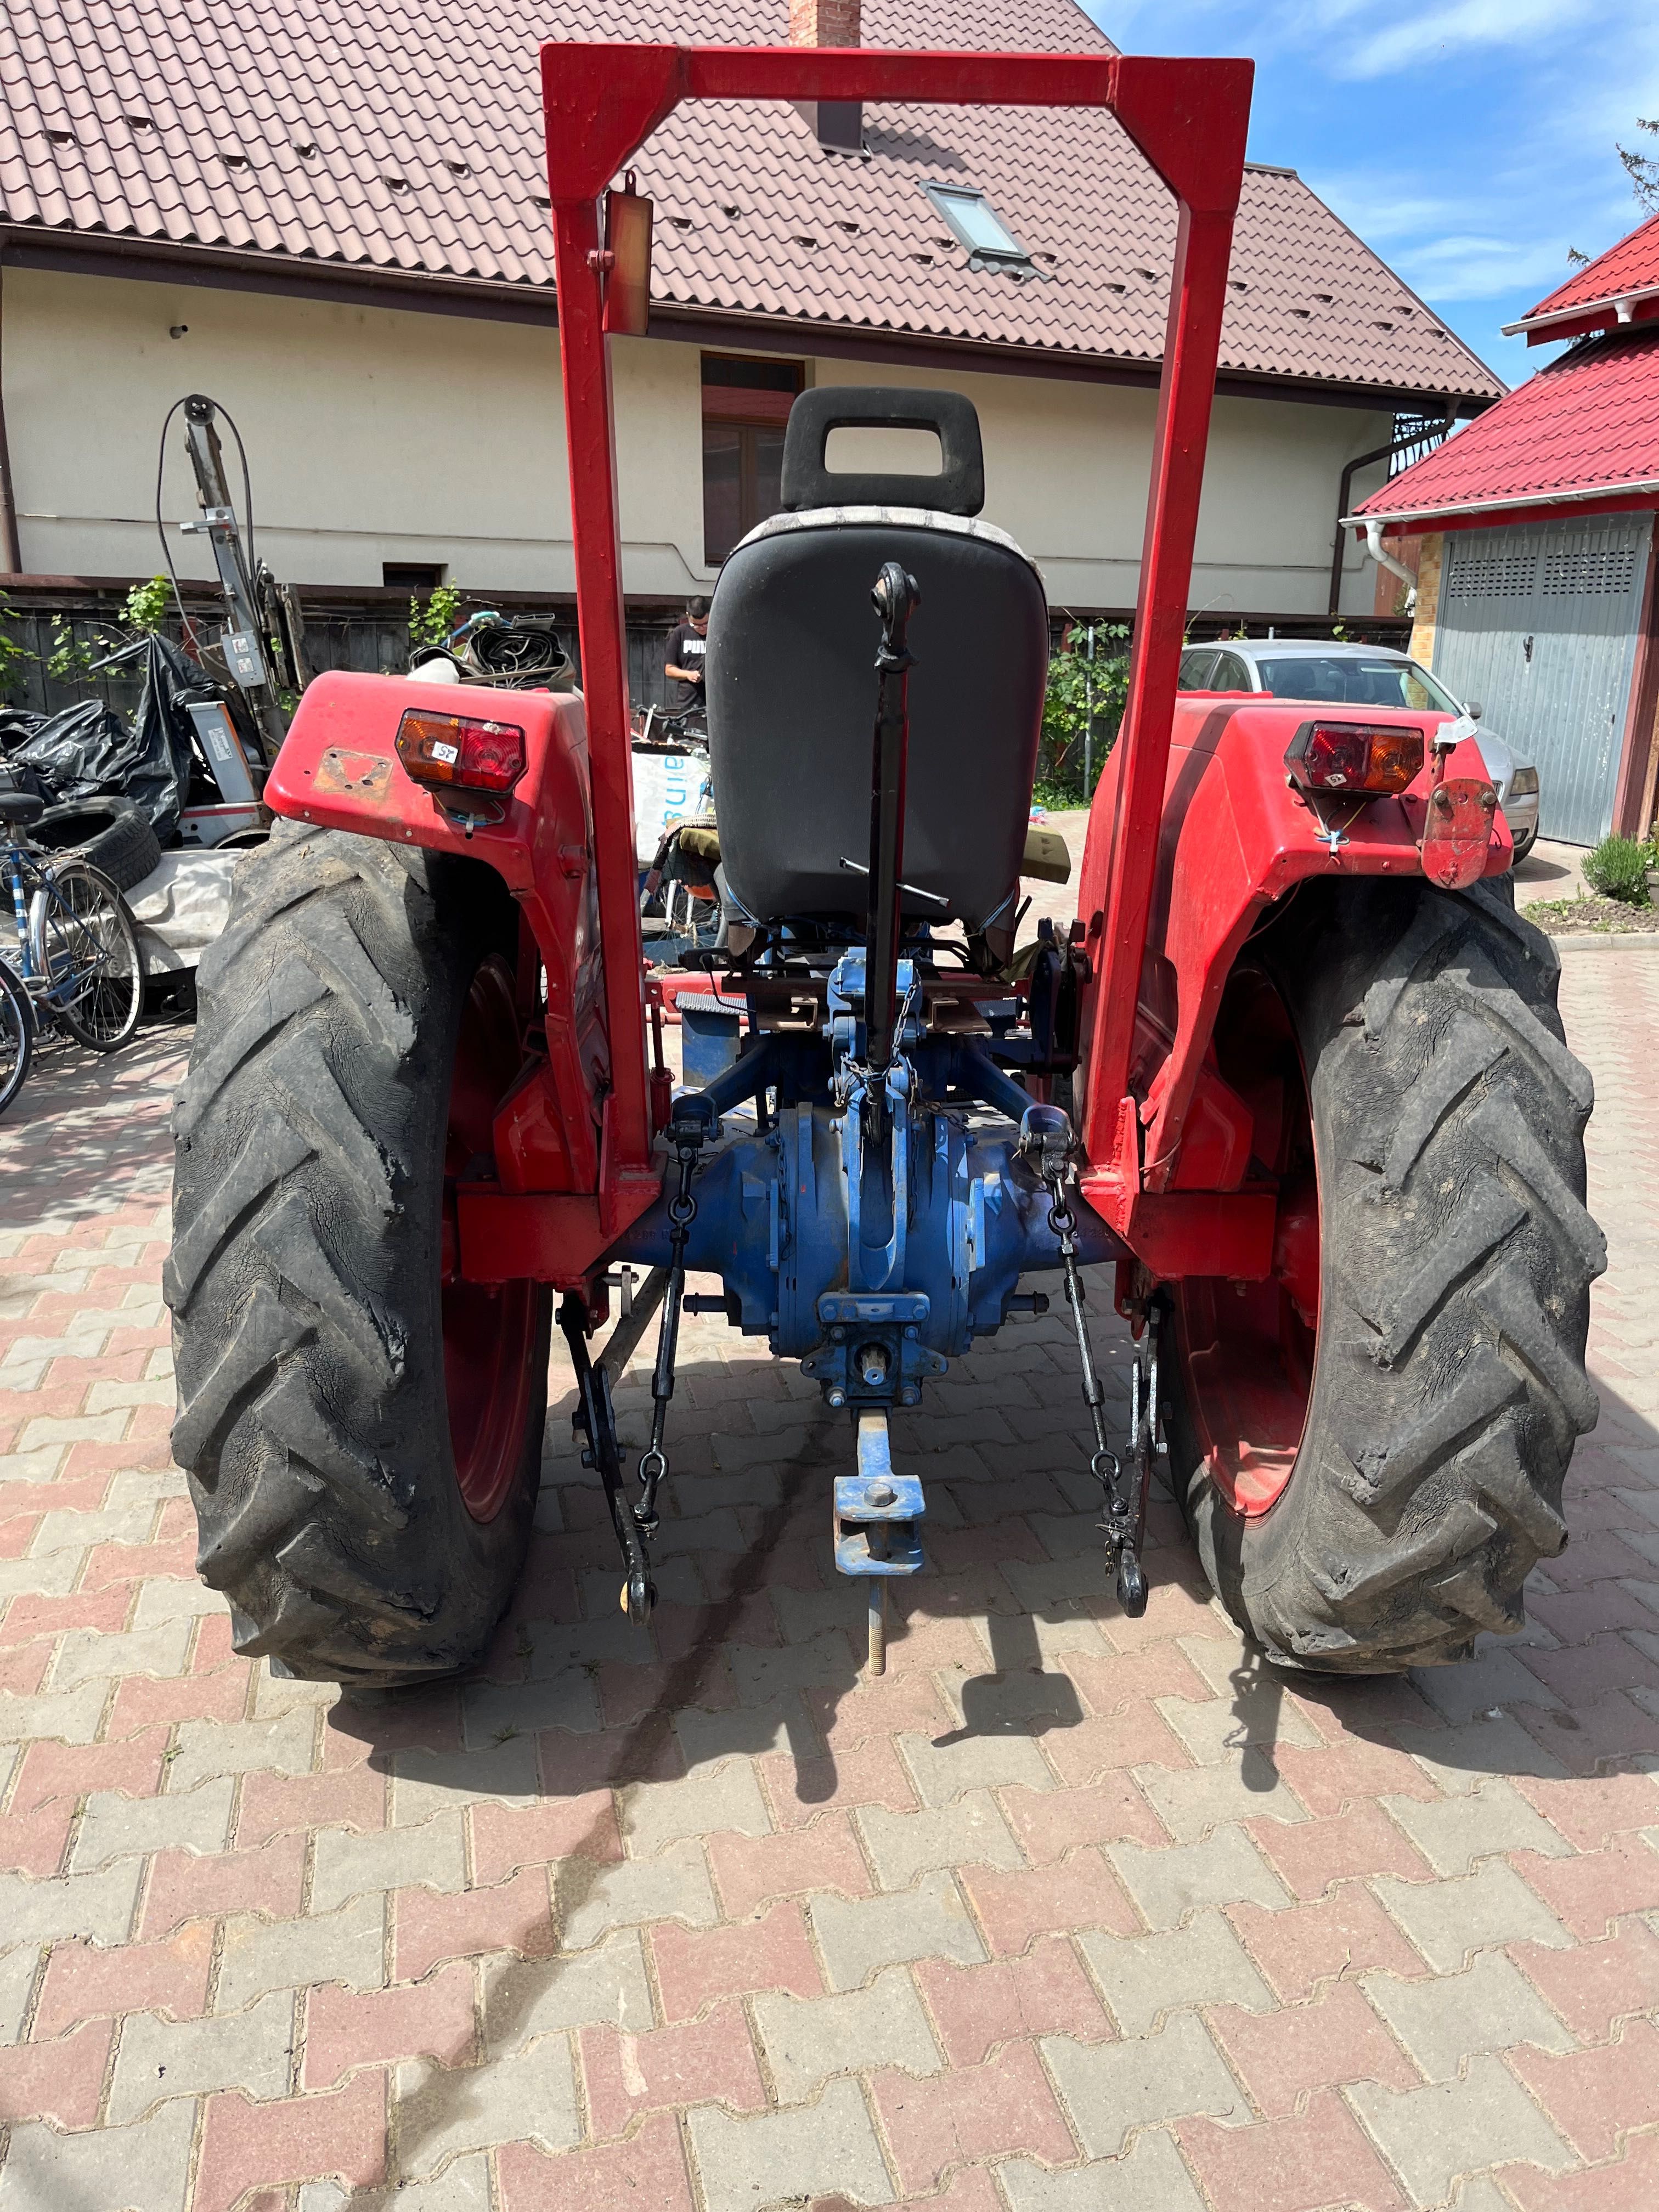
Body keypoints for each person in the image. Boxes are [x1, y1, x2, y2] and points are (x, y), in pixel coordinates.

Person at [664, 598, 709, 714]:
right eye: (696, 625)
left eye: (705, 624)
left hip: (714, 704)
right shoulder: (680, 633)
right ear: (688, 616)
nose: (702, 628)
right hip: (687, 705)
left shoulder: (719, 634)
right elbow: (669, 670)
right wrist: (688, 675)